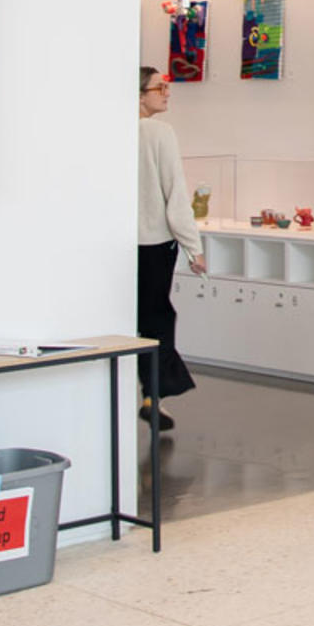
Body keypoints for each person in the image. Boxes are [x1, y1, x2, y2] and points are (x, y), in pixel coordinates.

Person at [136, 68, 203, 432]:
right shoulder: (160, 133)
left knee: (135, 319)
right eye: (159, 88)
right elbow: (175, 195)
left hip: (116, 246)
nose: (166, 93)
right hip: (156, 243)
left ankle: (148, 393)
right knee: (158, 320)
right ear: (139, 94)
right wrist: (195, 247)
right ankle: (153, 394)